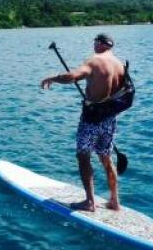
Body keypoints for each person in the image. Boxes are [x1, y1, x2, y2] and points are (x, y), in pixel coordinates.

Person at [40, 33, 126, 212]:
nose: (93, 46)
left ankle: (89, 202)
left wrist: (53, 78)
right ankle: (114, 201)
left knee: (83, 156)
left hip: (92, 119)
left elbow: (72, 77)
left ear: (99, 44)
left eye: (94, 42)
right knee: (106, 158)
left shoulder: (95, 60)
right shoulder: (120, 65)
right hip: (110, 118)